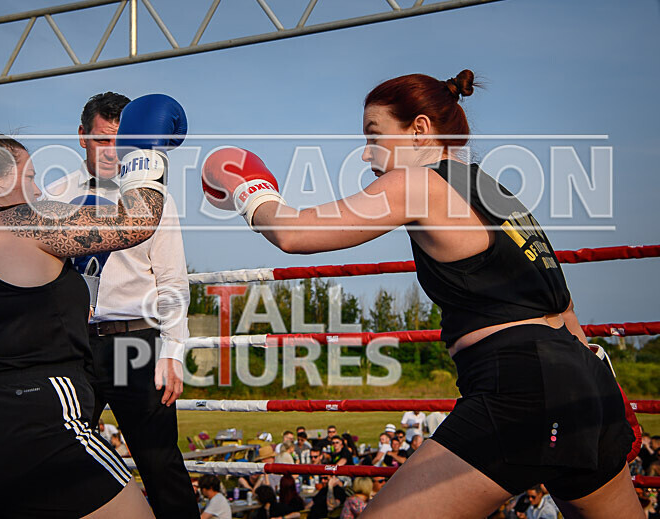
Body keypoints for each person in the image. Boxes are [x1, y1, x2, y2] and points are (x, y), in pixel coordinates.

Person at [201, 70, 641, 518]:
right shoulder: (502, 196)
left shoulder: (420, 183)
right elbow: (562, 305)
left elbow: (294, 233)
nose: (366, 153)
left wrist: (248, 187)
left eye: (374, 135)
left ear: (420, 130)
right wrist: (610, 393)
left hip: (520, 388)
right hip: (589, 386)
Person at [0, 93, 181, 518]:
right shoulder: (17, 223)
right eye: (29, 177)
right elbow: (134, 223)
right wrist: (144, 156)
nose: (38, 190)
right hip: (32, 415)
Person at [45, 92, 197, 519]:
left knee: (160, 463)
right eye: (101, 140)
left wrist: (173, 350)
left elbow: (172, 279)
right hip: (71, 347)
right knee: (60, 459)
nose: (112, 152)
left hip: (136, 343)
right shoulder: (54, 196)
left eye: (120, 140)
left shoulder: (152, 197)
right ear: (81, 137)